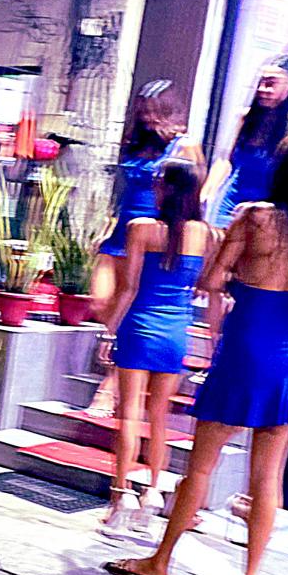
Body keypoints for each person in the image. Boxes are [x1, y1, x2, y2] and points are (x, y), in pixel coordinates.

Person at [103, 135, 288, 575]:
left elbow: (212, 280)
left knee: (201, 465)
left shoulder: (254, 217)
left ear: (281, 170)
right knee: (267, 475)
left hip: (245, 348)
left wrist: (242, 279)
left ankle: (160, 560)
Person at [100, 157, 212, 537]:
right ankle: (152, 492)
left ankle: (121, 497)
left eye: (159, 180)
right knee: (160, 418)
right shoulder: (206, 234)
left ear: (168, 188)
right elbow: (204, 286)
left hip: (140, 326)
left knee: (130, 413)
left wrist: (108, 332)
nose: (154, 186)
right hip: (176, 331)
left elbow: (129, 287)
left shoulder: (142, 229)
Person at [88, 80, 203, 418]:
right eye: (143, 110)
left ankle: (111, 385)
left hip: (155, 235)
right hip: (122, 229)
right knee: (100, 300)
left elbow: (192, 194)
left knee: (131, 299)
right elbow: (122, 190)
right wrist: (108, 222)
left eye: (154, 110)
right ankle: (123, 372)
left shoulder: (184, 145)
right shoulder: (137, 143)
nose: (148, 116)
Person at [203, 63, 288, 228]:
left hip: (267, 206)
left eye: (271, 83)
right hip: (231, 200)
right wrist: (208, 191)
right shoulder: (245, 118)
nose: (262, 89)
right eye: (260, 82)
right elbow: (225, 160)